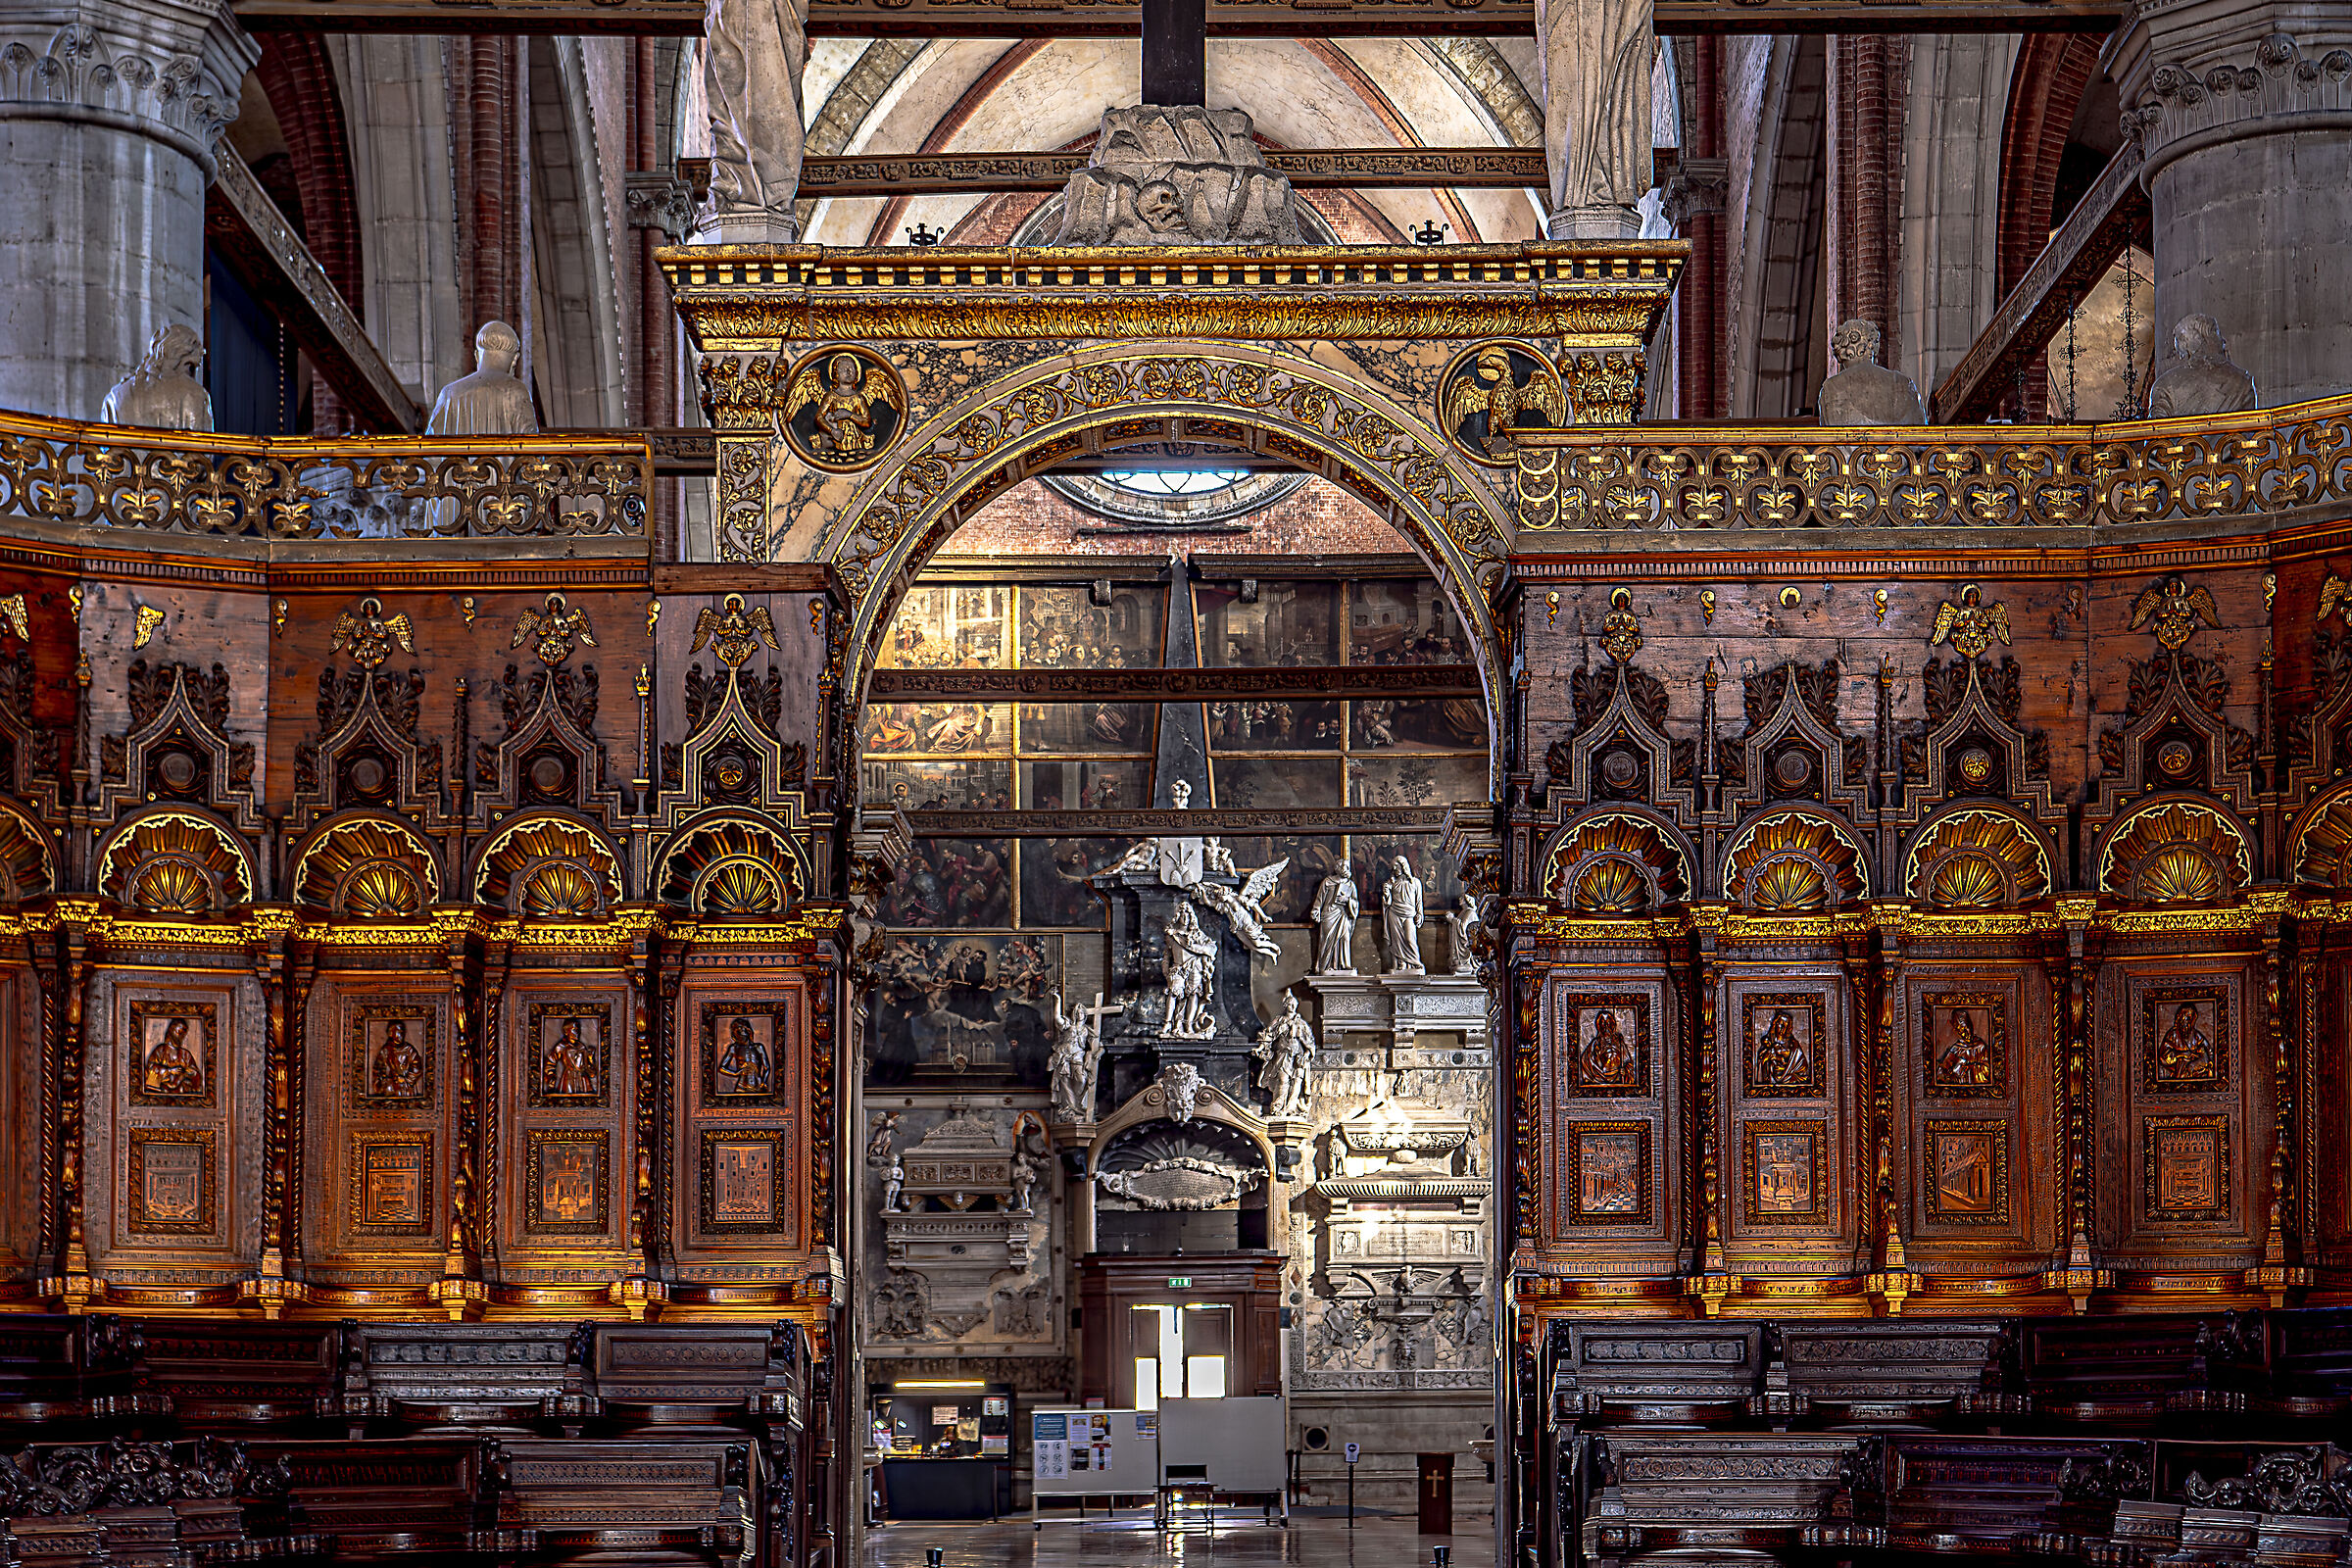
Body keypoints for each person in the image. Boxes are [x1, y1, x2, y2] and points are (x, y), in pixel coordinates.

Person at [426, 320, 538, 436]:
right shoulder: (517, 391)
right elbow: (531, 445)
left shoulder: (448, 393)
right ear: (515, 359)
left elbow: (429, 448)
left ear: (477, 356)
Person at [100, 323, 213, 431]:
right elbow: (204, 448)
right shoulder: (196, 394)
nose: (191, 377)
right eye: (191, 369)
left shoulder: (115, 396)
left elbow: (105, 447)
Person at [1252, 992, 1316, 1117]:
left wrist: (1307, 1054)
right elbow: (1268, 1035)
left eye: (1294, 1004)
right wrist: (1260, 1048)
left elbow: (1310, 1042)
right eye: (1289, 1004)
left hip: (1298, 1058)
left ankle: (1291, 1109)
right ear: (1285, 1005)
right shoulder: (1279, 1021)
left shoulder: (1302, 1024)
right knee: (1283, 1080)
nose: (1292, 1006)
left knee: (1296, 1083)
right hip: (1283, 1056)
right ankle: (1277, 1108)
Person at [1311, 867, 1359, 973]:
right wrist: (1316, 909)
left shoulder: (1350, 885)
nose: (1347, 869)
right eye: (1345, 867)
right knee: (1327, 939)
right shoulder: (1328, 882)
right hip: (1329, 913)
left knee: (1345, 938)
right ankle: (1325, 966)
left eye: (1348, 867)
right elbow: (1320, 897)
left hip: (1343, 914)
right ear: (1338, 869)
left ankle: (1345, 964)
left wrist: (1347, 900)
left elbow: (1355, 902)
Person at [1382, 856, 1425, 974]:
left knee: (1410, 939)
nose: (1395, 869)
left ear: (1403, 866)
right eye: (1394, 867)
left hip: (1409, 914)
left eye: (1397, 866)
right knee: (1397, 942)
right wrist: (1386, 893)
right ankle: (1400, 964)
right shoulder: (1392, 883)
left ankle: (1416, 963)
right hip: (1394, 913)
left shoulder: (1415, 882)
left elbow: (1419, 901)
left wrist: (1420, 914)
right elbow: (1388, 903)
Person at [142, 1017, 204, 1096]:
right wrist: (169, 1071)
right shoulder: (161, 1050)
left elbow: (196, 1074)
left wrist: (192, 1073)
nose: (181, 1036)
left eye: (184, 1034)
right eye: (179, 1032)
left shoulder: (186, 1054)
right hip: (162, 1092)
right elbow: (150, 1069)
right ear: (171, 1030)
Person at [717, 1015, 771, 1093]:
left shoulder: (758, 1047)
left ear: (748, 1031)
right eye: (736, 1031)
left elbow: (767, 1068)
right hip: (741, 1087)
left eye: (741, 1029)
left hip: (757, 1086)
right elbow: (721, 1068)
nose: (739, 1033)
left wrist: (764, 1081)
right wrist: (735, 1074)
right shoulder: (734, 1048)